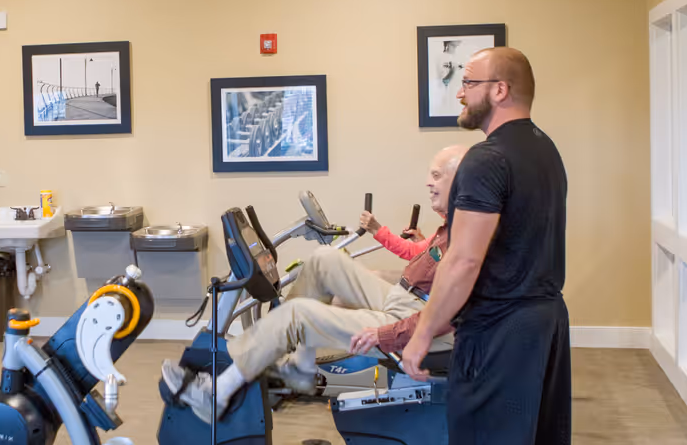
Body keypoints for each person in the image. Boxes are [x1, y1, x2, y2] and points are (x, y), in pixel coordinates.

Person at [401, 46, 569, 445]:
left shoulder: (486, 159)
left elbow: (463, 260)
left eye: (467, 83)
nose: (459, 93)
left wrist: (421, 336)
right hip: (547, 319)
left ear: (499, 89)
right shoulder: (544, 150)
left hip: (500, 328)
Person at [162, 144, 468, 422]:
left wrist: (383, 334)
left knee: (298, 315)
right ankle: (301, 367)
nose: (429, 182)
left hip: (420, 322)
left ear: (461, 180)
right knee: (324, 259)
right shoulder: (452, 224)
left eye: (437, 175)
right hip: (407, 300)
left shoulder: (469, 237)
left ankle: (217, 394)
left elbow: (444, 316)